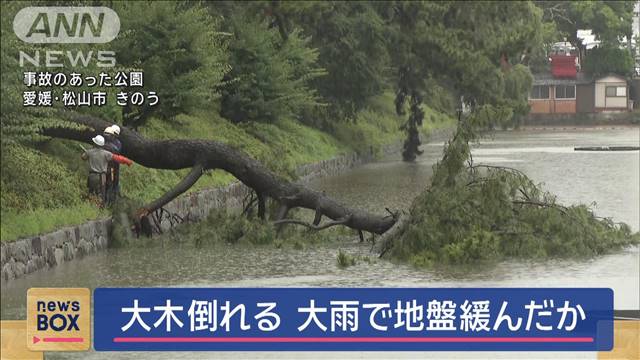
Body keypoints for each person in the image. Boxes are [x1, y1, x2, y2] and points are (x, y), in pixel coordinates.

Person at [82, 135, 133, 206]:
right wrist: (127, 161)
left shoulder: (89, 152)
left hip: (91, 176)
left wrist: (87, 153)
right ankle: (100, 208)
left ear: (94, 143)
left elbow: (83, 157)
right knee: (101, 194)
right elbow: (117, 158)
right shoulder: (106, 153)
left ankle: (91, 206)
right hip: (101, 176)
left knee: (91, 192)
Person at [103, 125, 123, 204]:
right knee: (110, 183)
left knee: (112, 183)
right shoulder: (116, 144)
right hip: (111, 167)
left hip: (111, 166)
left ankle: (110, 201)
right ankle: (109, 201)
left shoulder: (115, 144)